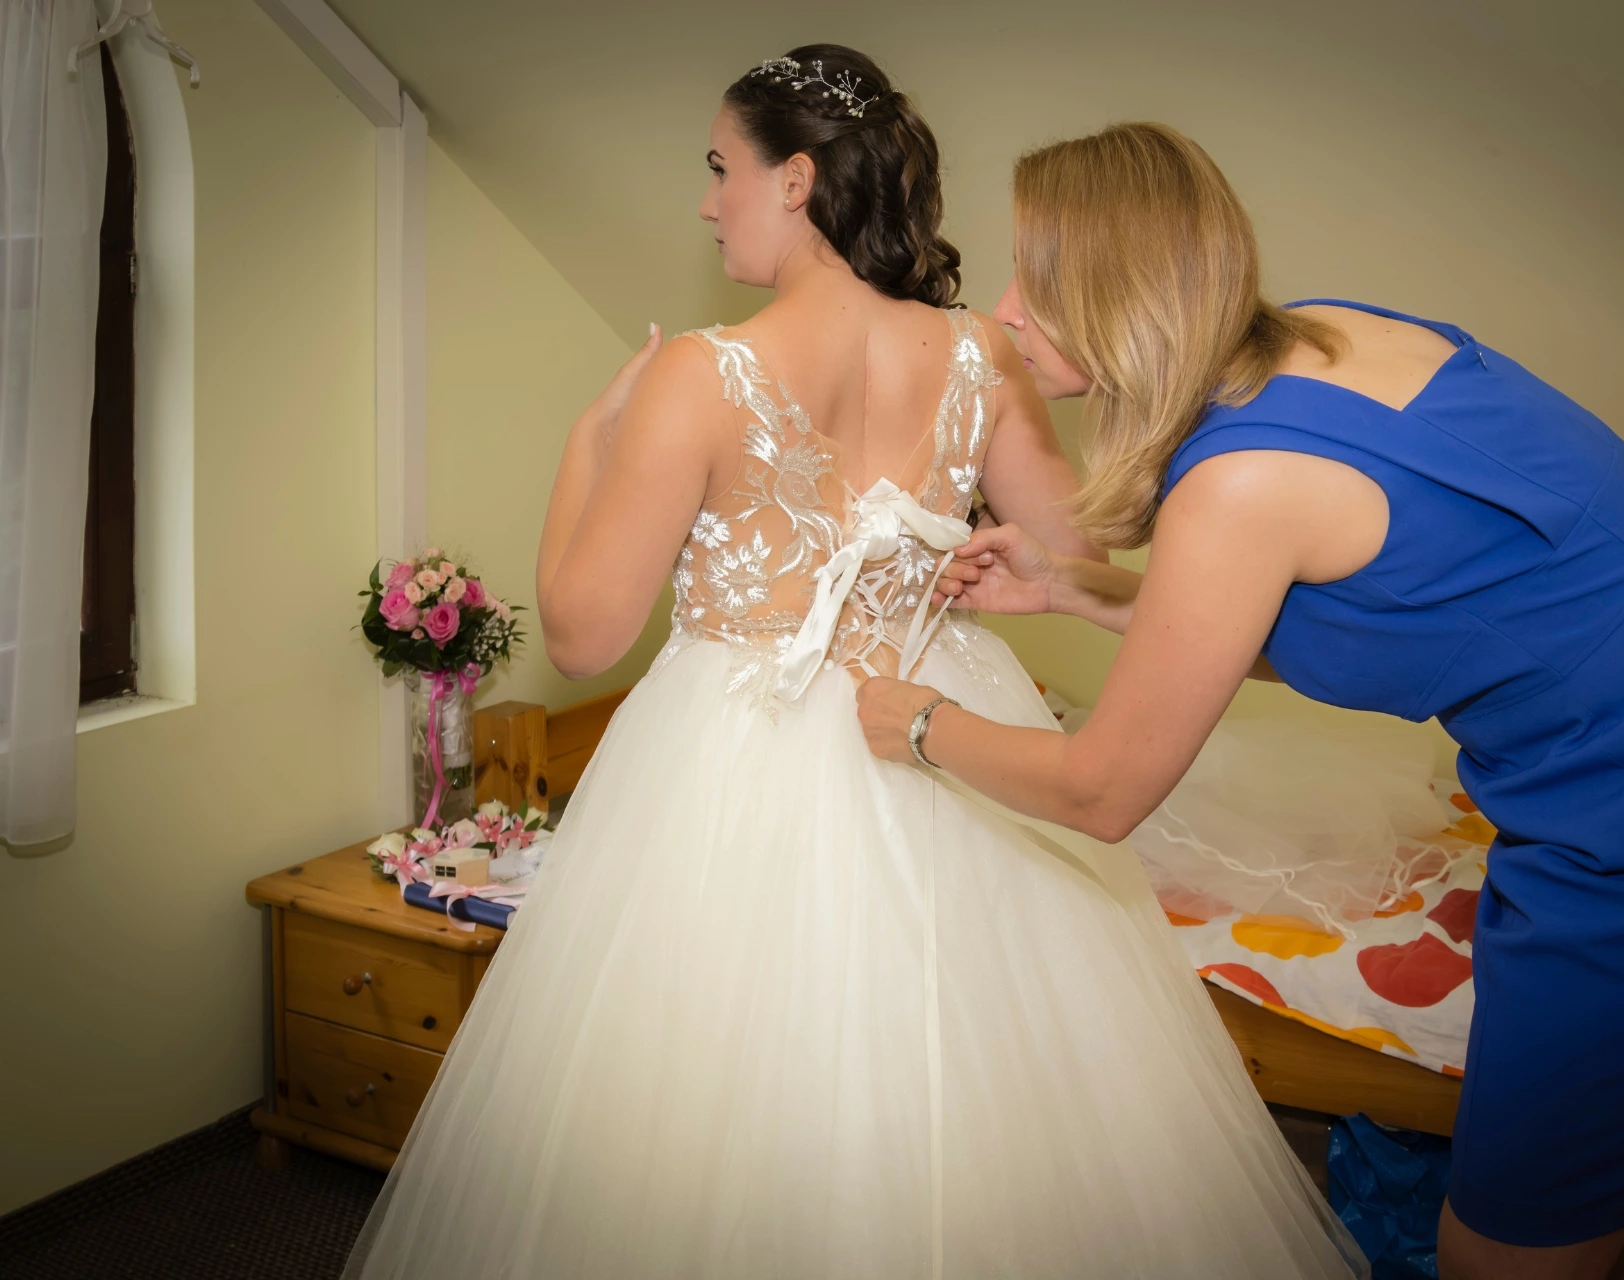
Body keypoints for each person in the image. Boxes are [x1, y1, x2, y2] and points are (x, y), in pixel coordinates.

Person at [342, 52, 1364, 1280]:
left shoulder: (699, 374)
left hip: (738, 748)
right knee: (998, 1088)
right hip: (947, 714)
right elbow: (1076, 558)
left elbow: (582, 636)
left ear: (796, 179)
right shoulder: (982, 354)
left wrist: (585, 442)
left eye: (721, 169)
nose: (708, 201)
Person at [856, 121, 1624, 1279]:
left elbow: (1102, 791)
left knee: (1500, 1252)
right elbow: (1334, 617)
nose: (1005, 312)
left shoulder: (1239, 484)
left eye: (1039, 283)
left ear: (1124, 294)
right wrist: (1074, 587)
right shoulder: (1325, 340)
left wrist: (920, 724)